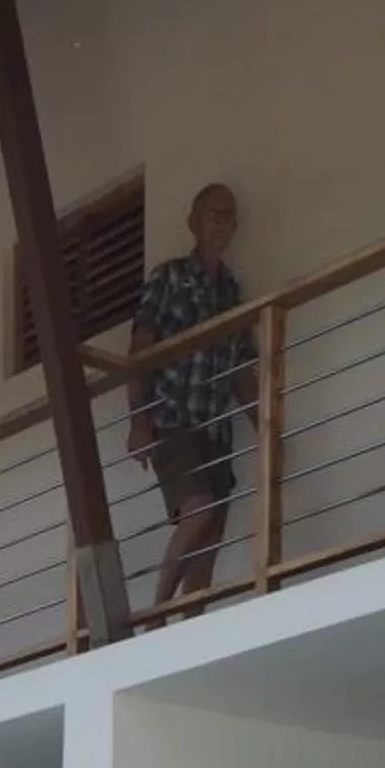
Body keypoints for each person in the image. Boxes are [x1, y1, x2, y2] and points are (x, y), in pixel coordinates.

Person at [129, 185, 257, 610]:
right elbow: (141, 348)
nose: (222, 222)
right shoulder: (168, 279)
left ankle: (190, 624)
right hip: (174, 419)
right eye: (213, 213)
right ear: (193, 222)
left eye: (228, 215)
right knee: (197, 510)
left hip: (216, 433)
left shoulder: (232, 292)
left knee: (209, 544)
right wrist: (139, 419)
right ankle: (156, 614)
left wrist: (268, 426)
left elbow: (242, 372)